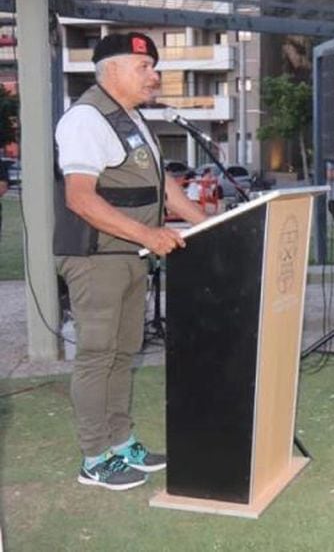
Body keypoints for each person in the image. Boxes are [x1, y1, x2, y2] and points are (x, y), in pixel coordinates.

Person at [53, 32, 206, 491]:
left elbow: (165, 191)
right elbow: (80, 199)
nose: (154, 76)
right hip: (97, 256)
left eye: (153, 67)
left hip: (130, 253)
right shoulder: (86, 118)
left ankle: (121, 443)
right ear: (112, 70)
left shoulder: (132, 119)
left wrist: (209, 226)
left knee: (124, 354)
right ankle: (94, 456)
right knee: (98, 356)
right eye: (144, 67)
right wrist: (149, 234)